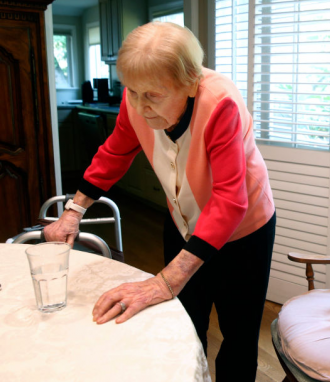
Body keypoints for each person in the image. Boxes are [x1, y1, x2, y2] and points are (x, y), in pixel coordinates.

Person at [44, 22, 276, 382]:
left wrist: (167, 279)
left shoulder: (220, 103)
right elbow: (114, 154)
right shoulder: (136, 99)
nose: (138, 105)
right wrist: (73, 211)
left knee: (238, 332)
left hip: (245, 229)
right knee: (184, 319)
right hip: (183, 219)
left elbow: (231, 200)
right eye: (131, 92)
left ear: (188, 83)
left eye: (151, 95)